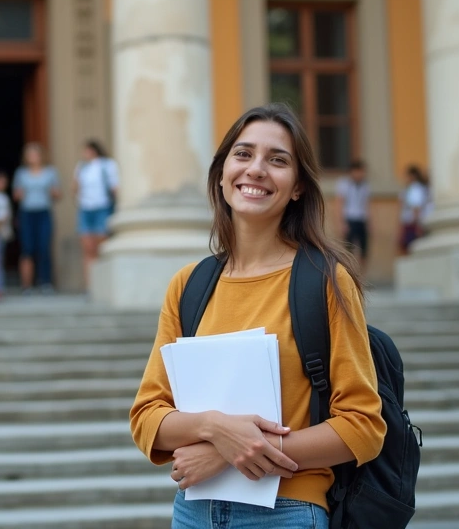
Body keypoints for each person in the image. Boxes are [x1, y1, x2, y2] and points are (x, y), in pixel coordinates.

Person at [129, 105, 384, 529]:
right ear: (223, 172)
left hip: (287, 513)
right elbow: (147, 418)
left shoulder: (325, 281)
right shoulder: (188, 285)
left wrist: (236, 450)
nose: (257, 169)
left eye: (277, 160)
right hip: (194, 513)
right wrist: (214, 428)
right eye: (243, 154)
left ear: (298, 186)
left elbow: (362, 427)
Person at [13, 142, 61, 294]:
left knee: (43, 247)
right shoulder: (21, 173)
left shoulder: (50, 172)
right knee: (27, 248)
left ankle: (45, 282)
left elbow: (58, 194)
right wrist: (19, 194)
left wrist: (53, 192)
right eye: (29, 154)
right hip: (27, 213)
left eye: (35, 154)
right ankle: (26, 285)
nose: (32, 157)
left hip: (43, 212)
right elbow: (16, 195)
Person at [73, 139, 118, 289]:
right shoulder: (81, 167)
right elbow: (75, 188)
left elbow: (114, 187)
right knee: (87, 248)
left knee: (102, 246)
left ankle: (104, 284)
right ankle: (90, 286)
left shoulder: (107, 165)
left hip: (102, 207)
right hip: (85, 208)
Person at [335, 160, 371, 270]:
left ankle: (361, 277)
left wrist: (369, 222)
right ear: (352, 172)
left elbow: (367, 205)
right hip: (350, 219)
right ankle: (350, 274)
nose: (361, 174)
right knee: (349, 250)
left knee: (364, 250)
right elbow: (339, 204)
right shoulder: (344, 184)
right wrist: (341, 223)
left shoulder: (365, 186)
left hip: (362, 219)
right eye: (358, 171)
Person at [399, 164, 429, 255]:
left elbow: (416, 208)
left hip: (412, 224)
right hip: (411, 223)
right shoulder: (412, 189)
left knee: (411, 249)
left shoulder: (415, 188)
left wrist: (417, 225)